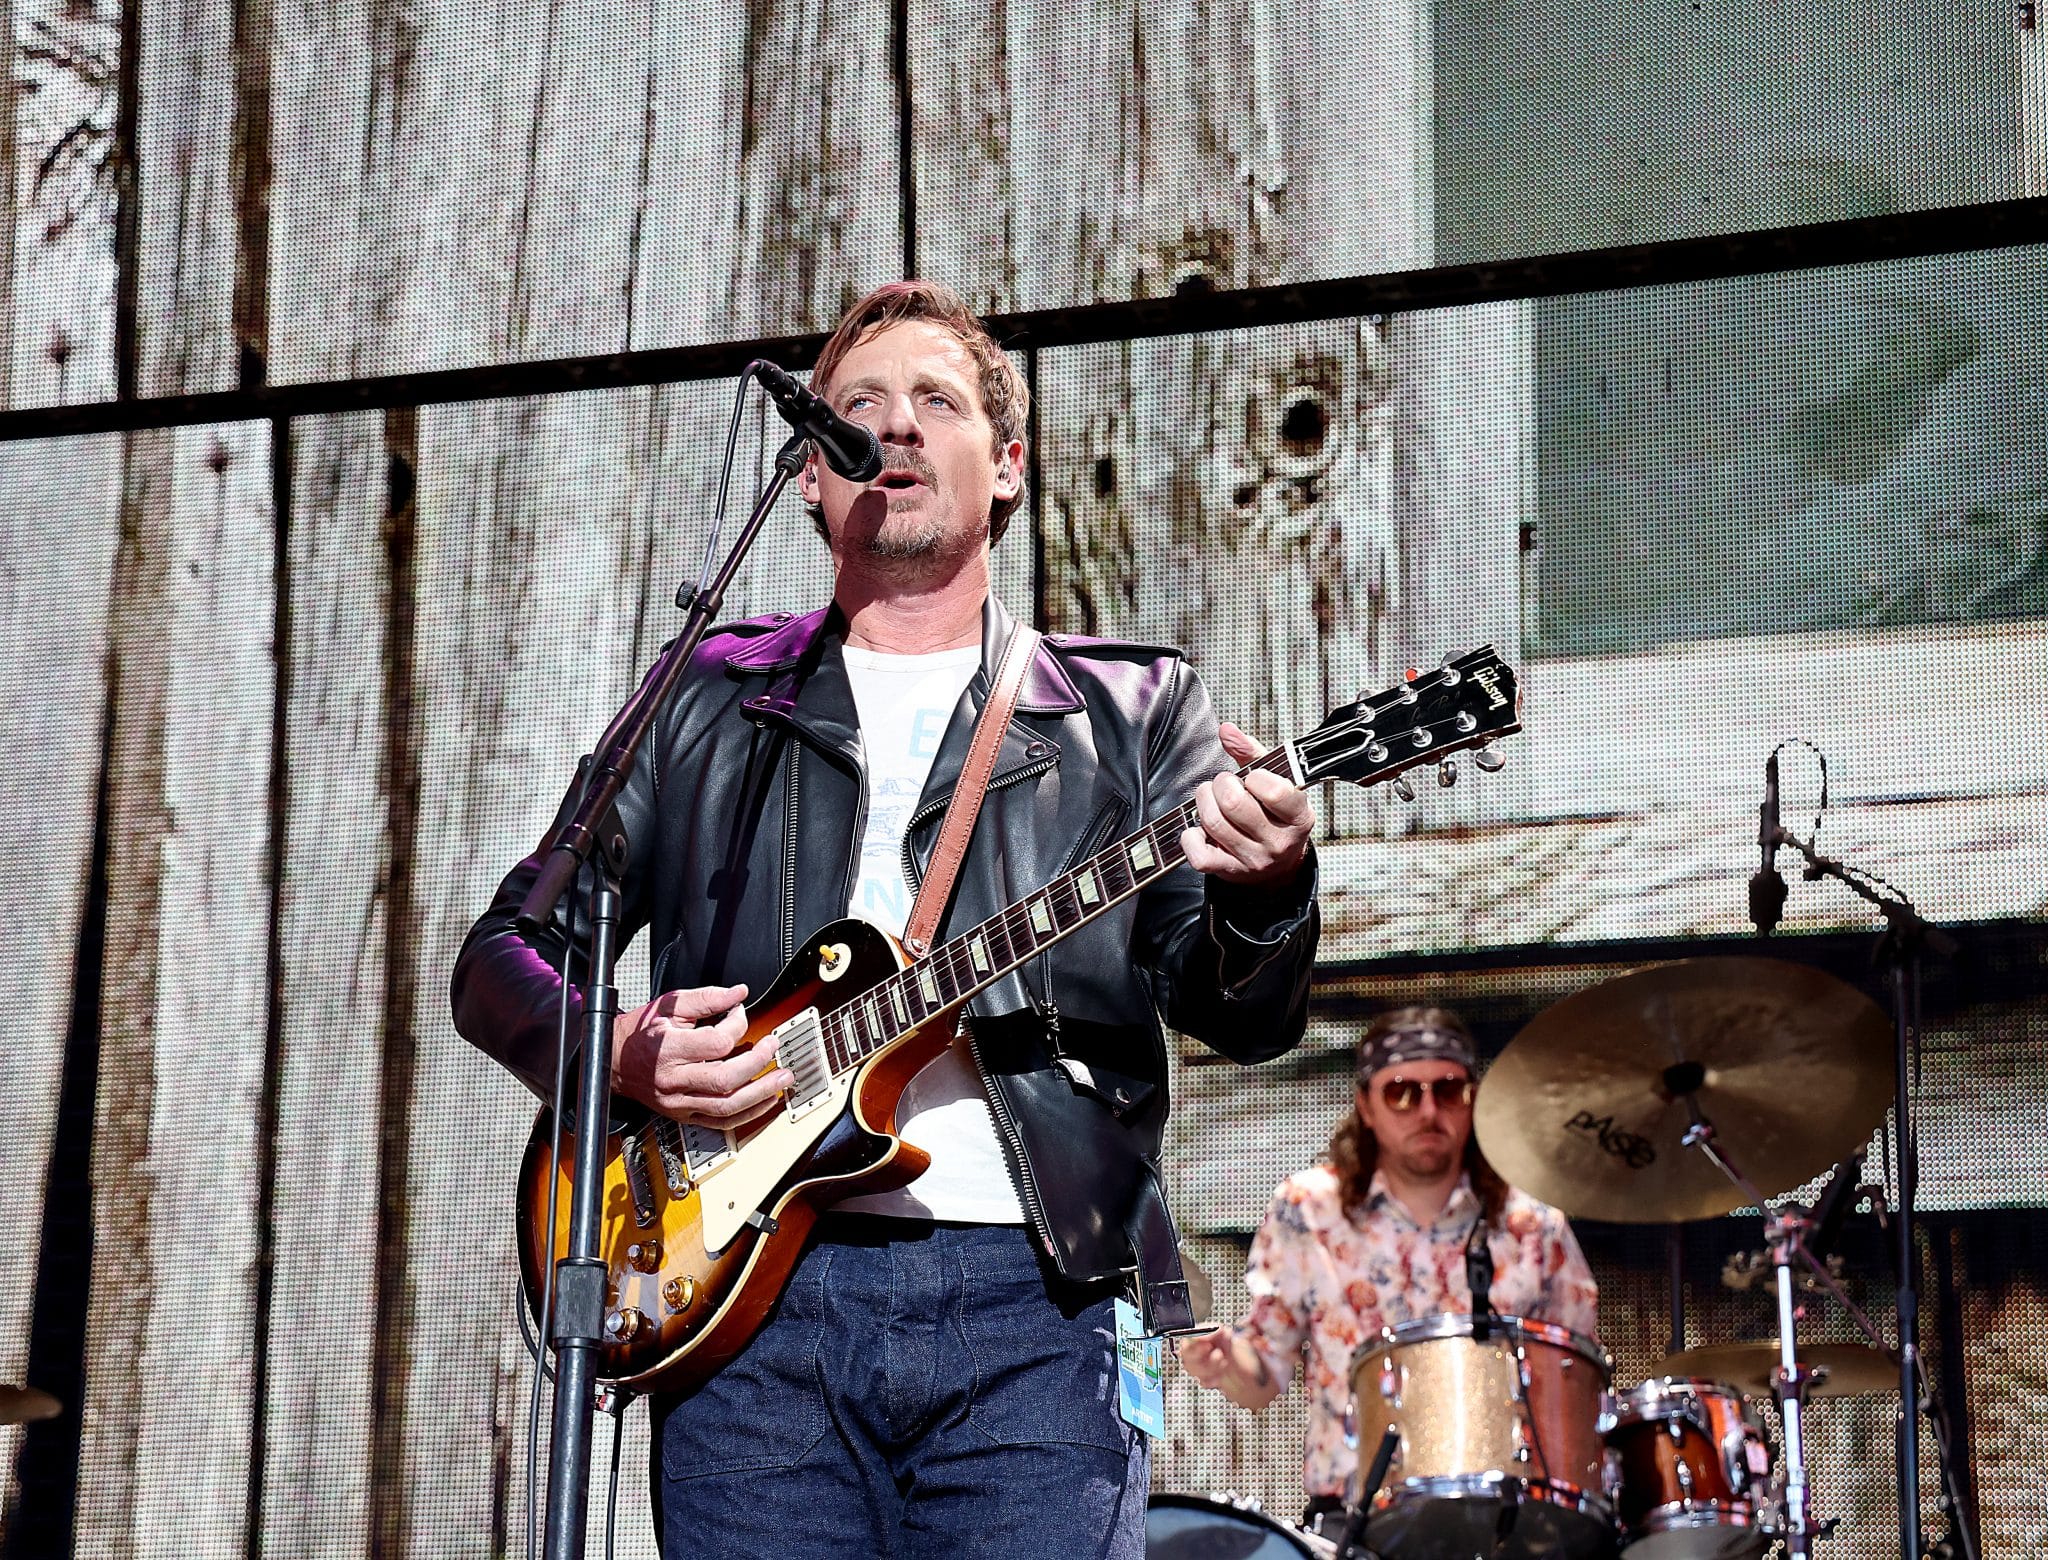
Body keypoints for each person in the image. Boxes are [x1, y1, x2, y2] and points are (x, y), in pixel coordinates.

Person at [450, 279, 1321, 1558]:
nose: (896, 429)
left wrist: (1264, 889)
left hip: (1036, 1311)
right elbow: (500, 960)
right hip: (743, 1306)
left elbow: (1241, 1016)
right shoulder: (705, 697)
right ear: (811, 473)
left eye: (937, 403)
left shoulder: (1132, 713)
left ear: (1006, 466)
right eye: (859, 408)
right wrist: (624, 1047)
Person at [1175, 1005, 1598, 1530]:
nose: (1427, 1112)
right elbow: (1263, 1374)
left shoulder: (1533, 1227)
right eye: (1401, 1091)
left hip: (1505, 1518)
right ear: (1366, 1106)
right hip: (1354, 1518)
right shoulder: (1309, 1210)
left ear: (1473, 1100)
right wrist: (1223, 1362)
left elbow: (1577, 1385)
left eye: (1447, 1090)